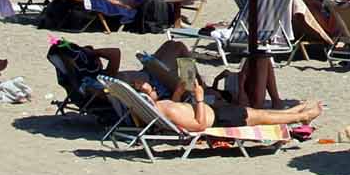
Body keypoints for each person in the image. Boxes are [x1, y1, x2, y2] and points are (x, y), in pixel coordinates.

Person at [134, 65, 322, 133]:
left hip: (216, 112)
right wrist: (199, 100)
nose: (153, 89)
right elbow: (199, 126)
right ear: (147, 98)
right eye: (150, 89)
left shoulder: (162, 107)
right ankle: (300, 117)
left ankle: (291, 112)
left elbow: (175, 105)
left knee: (260, 113)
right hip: (219, 119)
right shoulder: (168, 110)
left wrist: (180, 90)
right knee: (262, 117)